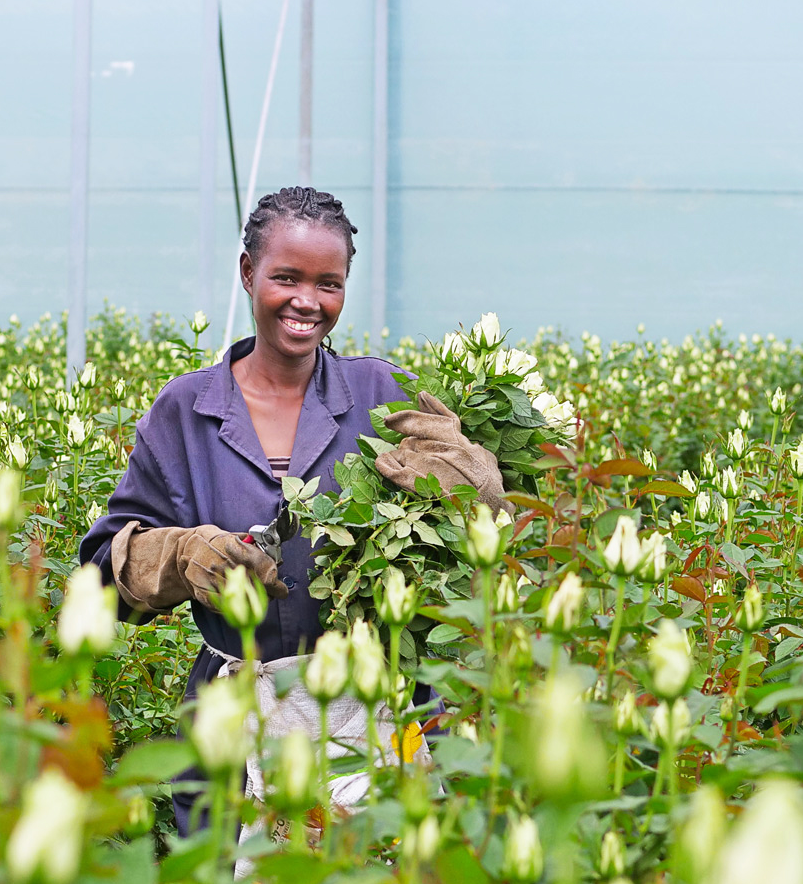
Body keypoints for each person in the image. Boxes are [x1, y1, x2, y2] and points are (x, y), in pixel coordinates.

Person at [78, 186, 504, 833]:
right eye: (286, 277)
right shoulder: (185, 411)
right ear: (248, 273)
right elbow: (101, 580)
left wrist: (474, 483)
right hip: (237, 719)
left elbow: (482, 527)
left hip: (379, 710)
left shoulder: (380, 394)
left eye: (328, 283)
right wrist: (181, 554)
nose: (308, 300)